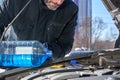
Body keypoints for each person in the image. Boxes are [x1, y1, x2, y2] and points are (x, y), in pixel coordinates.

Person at [0, 0, 78, 59]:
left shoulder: (70, 10)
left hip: (45, 64)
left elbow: (65, 45)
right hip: (13, 60)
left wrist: (47, 51)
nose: (59, 2)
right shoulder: (15, 2)